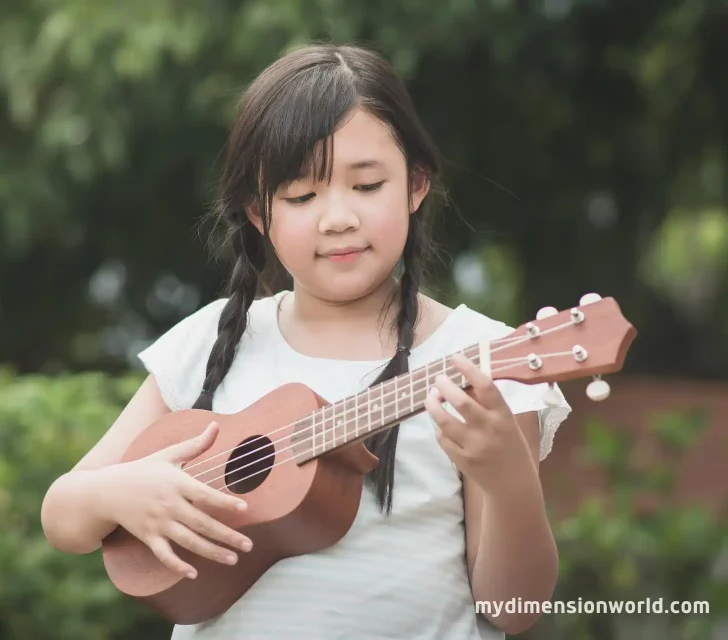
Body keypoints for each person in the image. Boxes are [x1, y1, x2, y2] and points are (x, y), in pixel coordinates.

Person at [41, 43, 572, 640]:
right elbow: (63, 514)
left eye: (367, 186)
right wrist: (121, 494)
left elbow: (515, 608)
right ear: (258, 212)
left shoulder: (482, 360)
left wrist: (506, 476)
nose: (337, 218)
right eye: (301, 196)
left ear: (416, 184)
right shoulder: (215, 340)